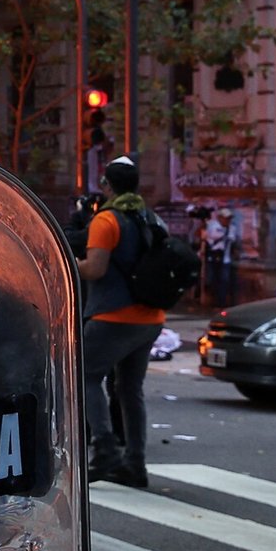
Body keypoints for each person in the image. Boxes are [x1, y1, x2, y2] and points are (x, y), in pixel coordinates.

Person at [77, 155, 166, 489]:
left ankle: (104, 448)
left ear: (108, 186)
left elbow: (95, 269)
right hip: (150, 319)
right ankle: (135, 463)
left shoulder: (107, 220)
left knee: (85, 376)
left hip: (112, 316)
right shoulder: (151, 218)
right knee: (130, 390)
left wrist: (71, 263)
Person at [201, 207, 239, 308]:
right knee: (212, 280)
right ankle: (211, 301)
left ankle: (221, 303)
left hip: (225, 259)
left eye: (229, 218)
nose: (228, 220)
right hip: (213, 258)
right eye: (226, 218)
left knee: (224, 281)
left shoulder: (232, 228)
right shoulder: (213, 226)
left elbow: (233, 239)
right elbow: (213, 236)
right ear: (220, 218)